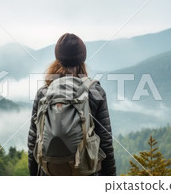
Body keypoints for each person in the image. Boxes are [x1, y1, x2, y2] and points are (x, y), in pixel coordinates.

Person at [27, 33, 116, 176]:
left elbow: (33, 141)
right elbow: (105, 143)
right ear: (82, 59)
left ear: (58, 58)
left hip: (50, 173)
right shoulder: (94, 91)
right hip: (85, 173)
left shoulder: (44, 93)